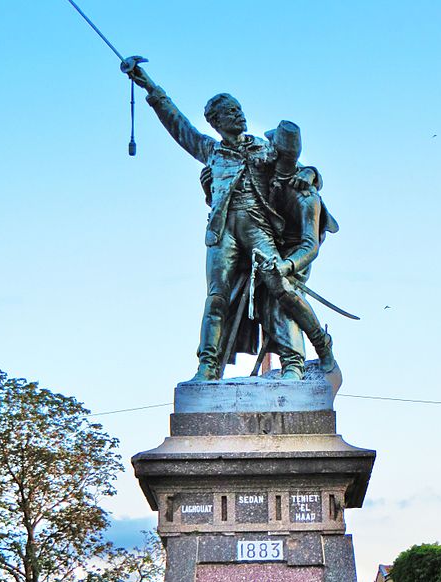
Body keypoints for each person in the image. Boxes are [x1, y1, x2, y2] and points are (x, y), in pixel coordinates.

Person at [121, 59, 317, 381]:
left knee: (280, 287)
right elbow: (178, 125)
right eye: (230, 112)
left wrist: (311, 173)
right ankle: (207, 367)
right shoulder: (211, 151)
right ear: (215, 122)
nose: (239, 115)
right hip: (222, 232)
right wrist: (149, 87)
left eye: (239, 109)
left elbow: (297, 171)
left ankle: (294, 362)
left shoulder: (265, 149)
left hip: (259, 228)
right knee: (216, 298)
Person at [253, 121, 340, 379]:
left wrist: (287, 266)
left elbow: (310, 245)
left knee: (284, 295)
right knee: (264, 303)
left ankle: (313, 350)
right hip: (268, 245)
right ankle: (290, 357)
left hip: (295, 252)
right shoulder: (265, 172)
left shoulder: (306, 197)